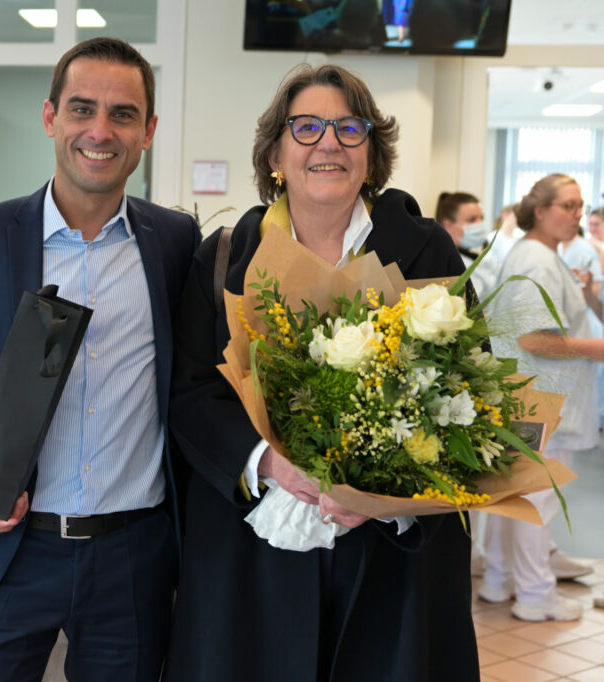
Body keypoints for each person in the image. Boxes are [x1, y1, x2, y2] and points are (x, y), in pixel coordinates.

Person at [163, 64, 479, 682]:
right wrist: (269, 462)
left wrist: (384, 492)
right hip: (254, 548)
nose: (328, 143)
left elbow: (463, 386)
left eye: (348, 128)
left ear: (371, 151)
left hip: (391, 548)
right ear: (276, 152)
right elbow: (191, 389)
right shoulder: (227, 255)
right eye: (306, 128)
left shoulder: (424, 250)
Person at [0, 37, 199, 681]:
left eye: (123, 114)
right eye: (81, 109)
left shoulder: (176, 243)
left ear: (148, 130)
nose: (100, 131)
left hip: (132, 558)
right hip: (7, 553)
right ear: (50, 118)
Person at [480, 173, 603, 621]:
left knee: (515, 493)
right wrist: (597, 349)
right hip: (543, 398)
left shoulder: (542, 256)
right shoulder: (537, 259)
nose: (577, 215)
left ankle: (498, 580)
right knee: (537, 499)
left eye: (580, 206)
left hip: (535, 396)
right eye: (567, 206)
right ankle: (535, 596)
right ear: (540, 209)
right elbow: (534, 339)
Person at [435, 190, 498, 299]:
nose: (480, 224)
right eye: (472, 219)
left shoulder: (471, 258)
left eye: (481, 218)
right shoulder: (447, 264)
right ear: (447, 226)